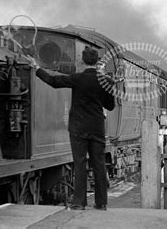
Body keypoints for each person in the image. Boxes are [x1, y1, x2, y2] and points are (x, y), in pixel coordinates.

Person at [30, 47, 115, 211]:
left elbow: (53, 82)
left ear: (83, 61)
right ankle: (101, 203)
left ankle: (79, 202)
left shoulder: (77, 78)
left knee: (80, 163)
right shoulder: (105, 81)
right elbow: (110, 106)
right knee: (99, 163)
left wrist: (37, 68)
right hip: (96, 128)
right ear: (98, 61)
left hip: (78, 127)